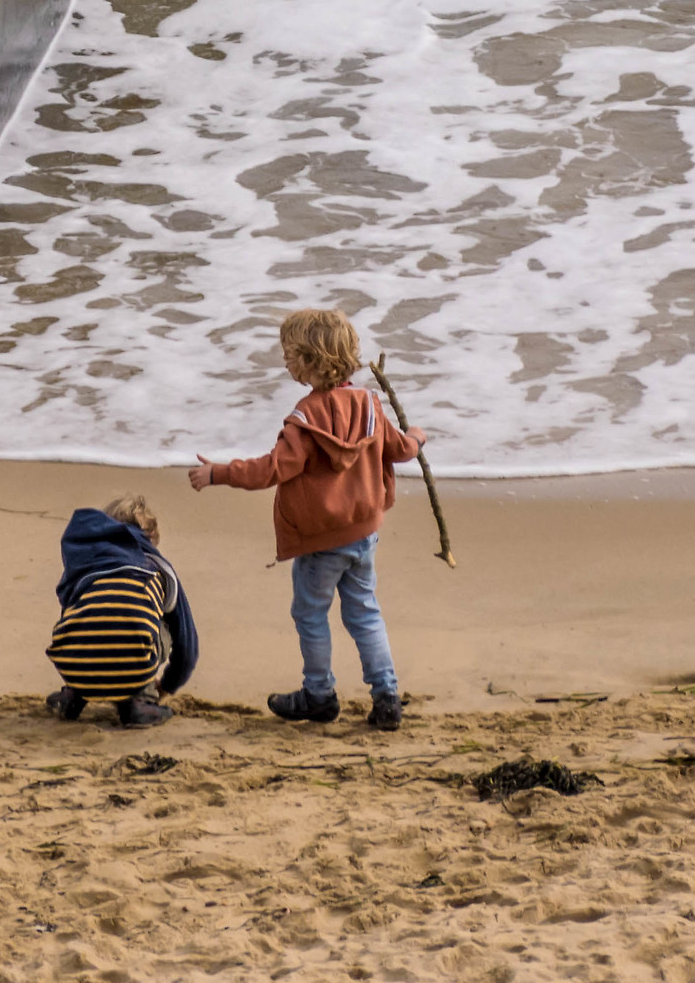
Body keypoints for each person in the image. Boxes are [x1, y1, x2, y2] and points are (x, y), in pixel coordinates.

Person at [188, 309, 424, 732]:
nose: (284, 362)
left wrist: (218, 473)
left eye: (289, 355)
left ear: (310, 363)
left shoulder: (305, 419)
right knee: (365, 613)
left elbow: (271, 469)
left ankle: (319, 694)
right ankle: (386, 695)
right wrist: (418, 437)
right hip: (364, 533)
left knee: (311, 614)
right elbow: (401, 450)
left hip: (319, 543)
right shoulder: (370, 405)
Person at [44, 495, 198, 729]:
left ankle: (74, 696)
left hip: (73, 663)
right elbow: (187, 649)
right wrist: (166, 687)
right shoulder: (158, 567)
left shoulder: (84, 565)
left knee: (90, 620)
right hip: (132, 662)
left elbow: (71, 616)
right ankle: (138, 701)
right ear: (151, 537)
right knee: (151, 623)